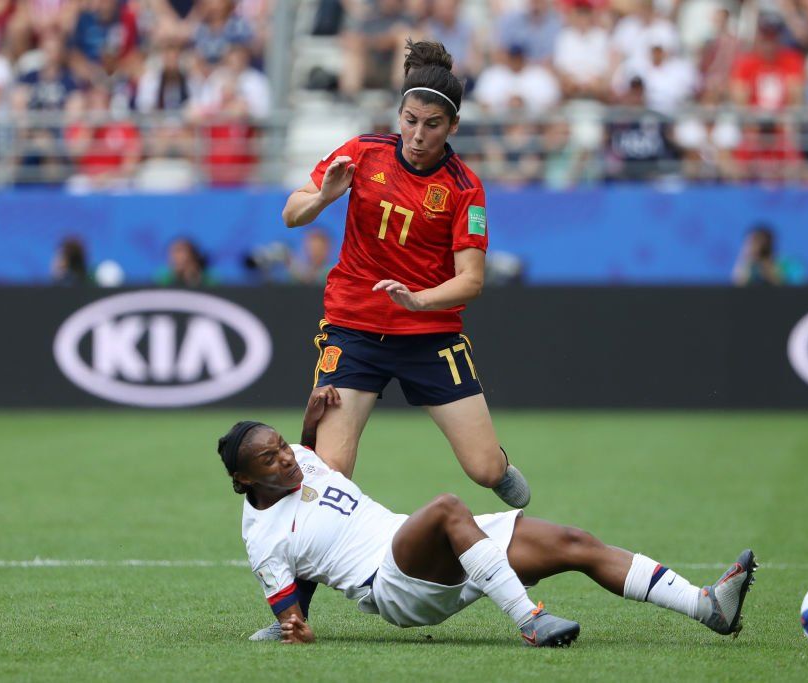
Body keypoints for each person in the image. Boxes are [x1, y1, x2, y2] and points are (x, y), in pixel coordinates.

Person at [217, 391, 758, 647]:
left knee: (574, 542)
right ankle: (529, 620)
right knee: (447, 506)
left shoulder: (300, 457)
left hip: (436, 552)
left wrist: (309, 423)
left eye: (281, 445)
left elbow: (307, 464)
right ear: (244, 481)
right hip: (392, 586)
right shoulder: (262, 538)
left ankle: (707, 606)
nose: (285, 458)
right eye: (269, 458)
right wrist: (293, 629)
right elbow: (289, 617)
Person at [280, 41, 531, 507]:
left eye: (432, 125)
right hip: (354, 328)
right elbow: (292, 214)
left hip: (428, 334)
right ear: (399, 114)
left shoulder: (465, 188)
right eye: (410, 120)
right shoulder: (362, 152)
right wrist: (324, 198)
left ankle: (500, 466)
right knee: (331, 474)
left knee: (483, 469)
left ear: (453, 126)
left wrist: (418, 300)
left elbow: (471, 279)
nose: (417, 136)